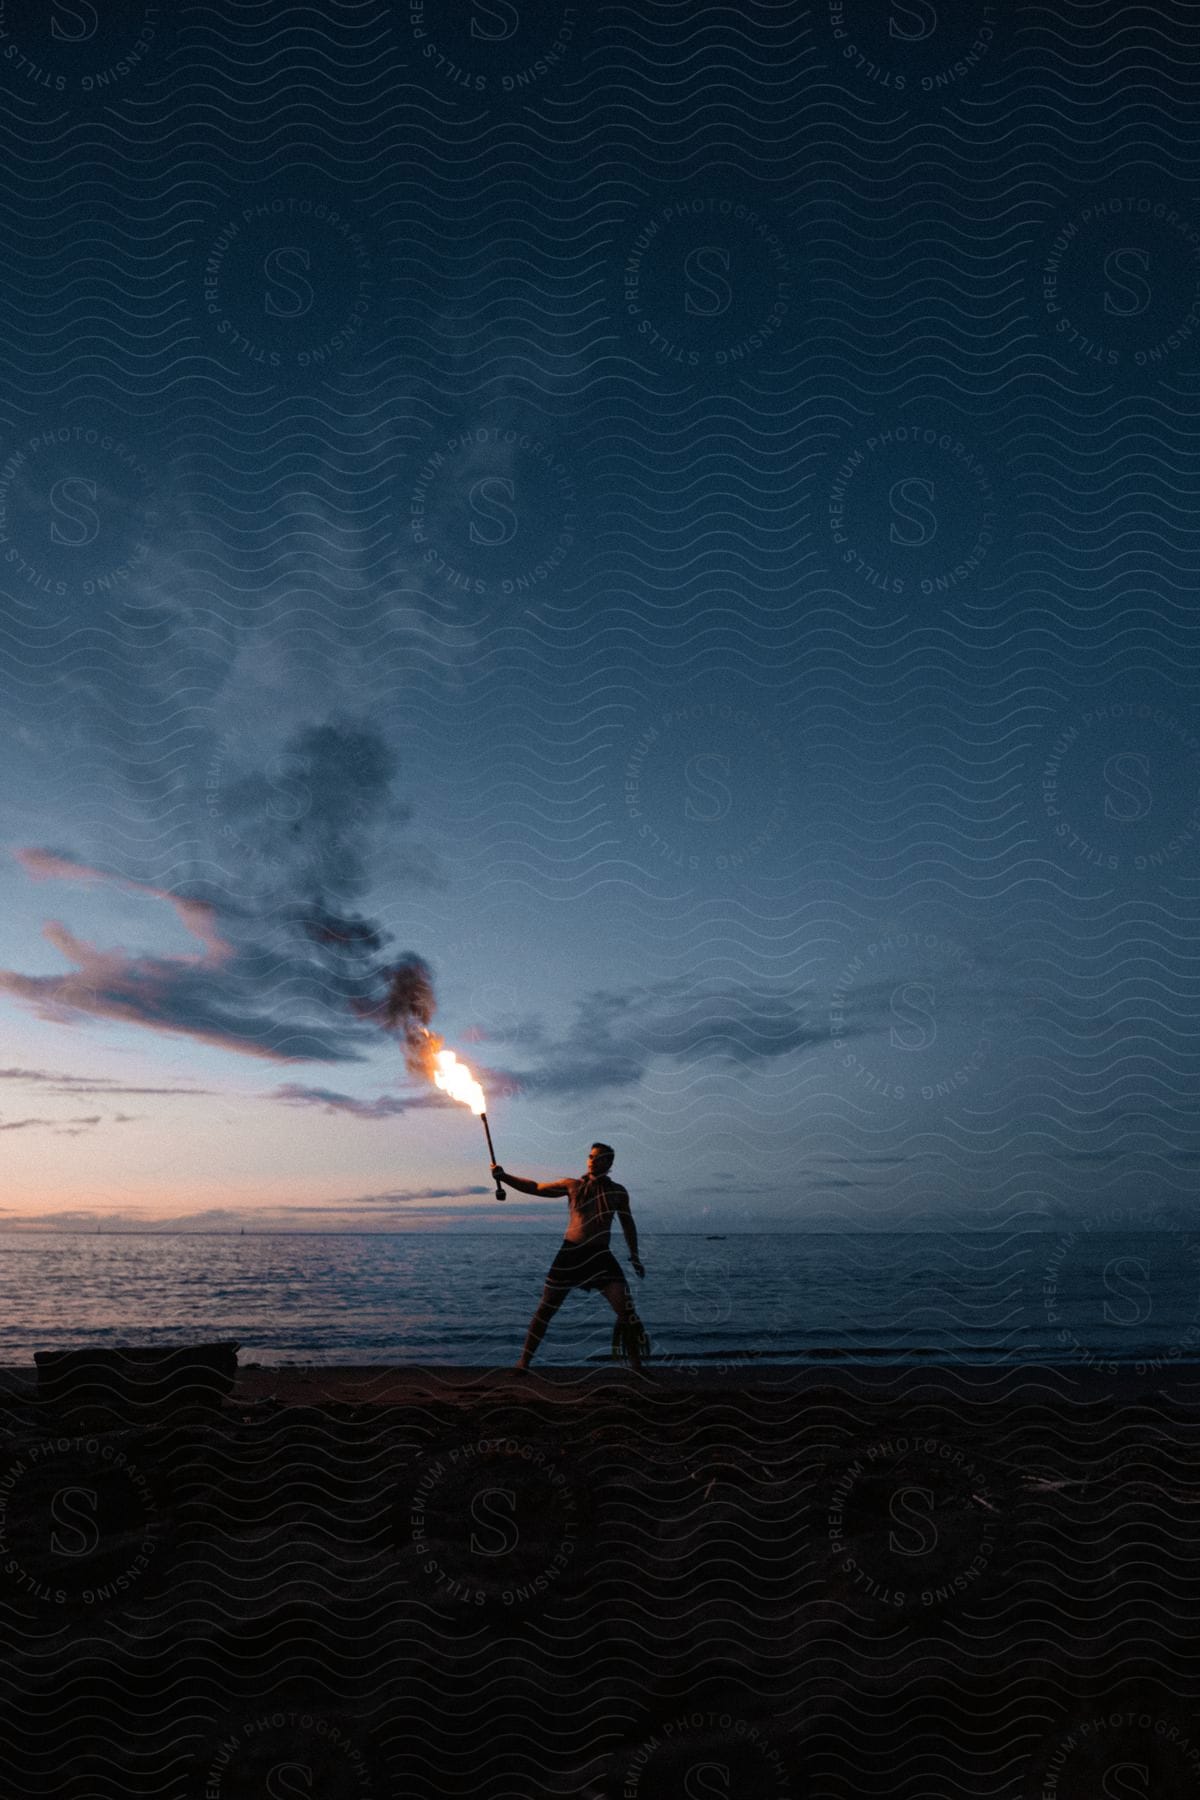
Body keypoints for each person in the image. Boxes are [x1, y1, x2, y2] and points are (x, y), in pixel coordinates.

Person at [491, 1141, 648, 1374]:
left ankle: (637, 1367)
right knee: (545, 1310)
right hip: (571, 1253)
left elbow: (628, 1223)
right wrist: (504, 1177)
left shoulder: (618, 1192)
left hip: (600, 1256)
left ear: (609, 1162)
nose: (592, 1160)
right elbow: (535, 1187)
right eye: (590, 1156)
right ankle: (523, 1362)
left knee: (627, 1311)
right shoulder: (572, 1185)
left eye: (599, 1157)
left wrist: (634, 1255)